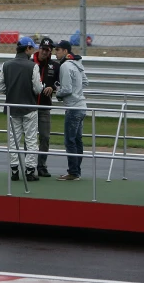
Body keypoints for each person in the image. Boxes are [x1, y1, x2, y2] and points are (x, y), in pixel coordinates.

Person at [0, 37, 44, 182]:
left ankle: (14, 170)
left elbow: (0, 87)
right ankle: (30, 171)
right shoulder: (33, 66)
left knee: (13, 139)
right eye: (32, 48)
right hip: (29, 107)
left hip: (12, 107)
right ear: (27, 49)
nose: (34, 50)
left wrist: (12, 91)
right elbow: (37, 89)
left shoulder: (6, 65)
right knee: (30, 139)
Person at [54, 40, 89, 181]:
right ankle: (76, 171)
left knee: (70, 141)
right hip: (81, 106)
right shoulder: (77, 63)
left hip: (73, 108)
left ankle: (73, 172)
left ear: (65, 51)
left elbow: (67, 89)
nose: (55, 52)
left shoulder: (65, 65)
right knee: (77, 140)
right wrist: (77, 90)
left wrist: (58, 92)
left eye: (58, 49)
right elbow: (85, 82)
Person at [32, 37, 60, 178]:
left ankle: (42, 166)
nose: (44, 52)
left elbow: (60, 83)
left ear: (50, 51)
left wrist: (53, 87)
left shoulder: (55, 66)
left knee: (45, 137)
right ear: (39, 48)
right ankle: (29, 166)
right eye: (43, 49)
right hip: (30, 106)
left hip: (45, 107)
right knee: (30, 138)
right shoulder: (30, 63)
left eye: (47, 50)